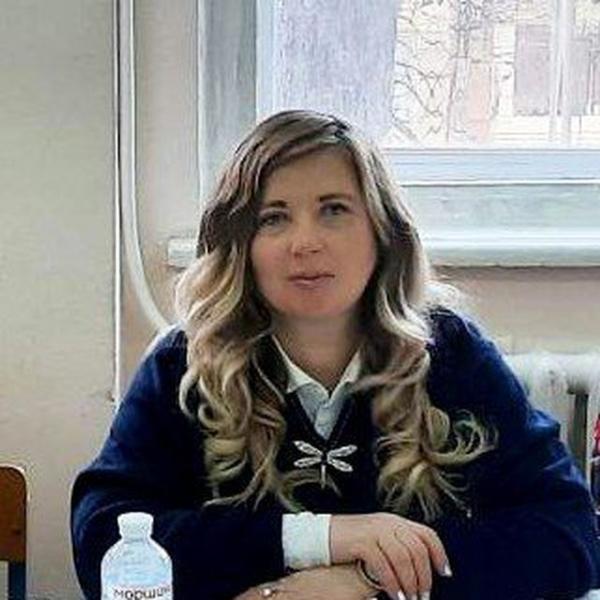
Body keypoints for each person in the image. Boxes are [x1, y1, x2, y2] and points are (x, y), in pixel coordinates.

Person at [71, 109, 600, 600]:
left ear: (382, 232)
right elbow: (103, 542)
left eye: (334, 210)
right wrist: (321, 538)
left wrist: (367, 582)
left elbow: (571, 532)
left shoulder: (450, 354)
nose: (305, 242)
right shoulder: (183, 363)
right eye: (273, 218)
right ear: (240, 244)